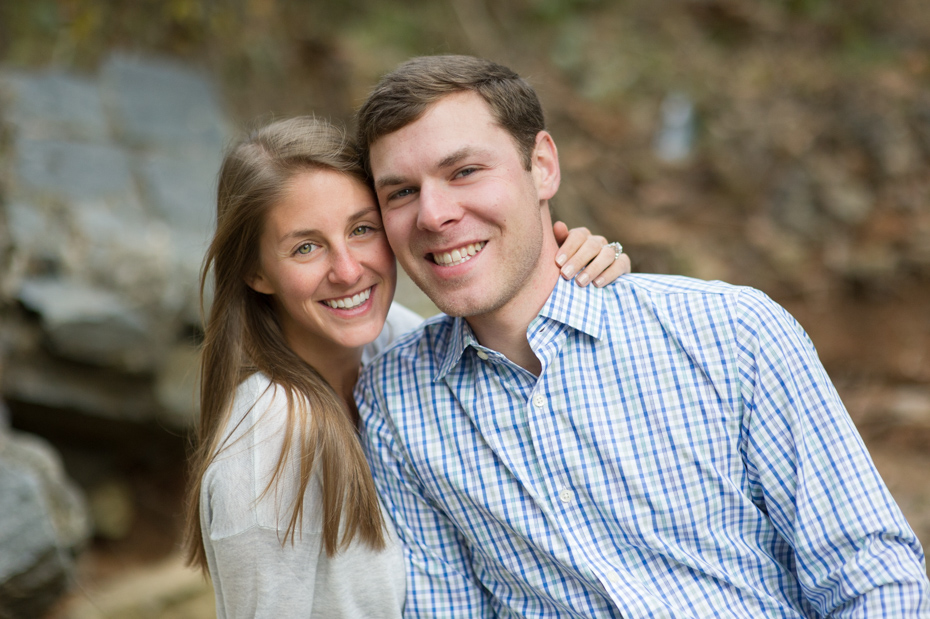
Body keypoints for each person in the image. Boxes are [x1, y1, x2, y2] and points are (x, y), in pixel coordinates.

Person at [354, 55, 930, 617]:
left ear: (543, 166)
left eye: (465, 171)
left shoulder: (731, 331)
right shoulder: (396, 400)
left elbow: (871, 575)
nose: (433, 214)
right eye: (400, 192)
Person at [182, 116, 631, 618]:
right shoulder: (266, 447)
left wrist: (578, 264)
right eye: (305, 247)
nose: (348, 270)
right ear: (255, 271)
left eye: (361, 229)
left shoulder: (391, 336)